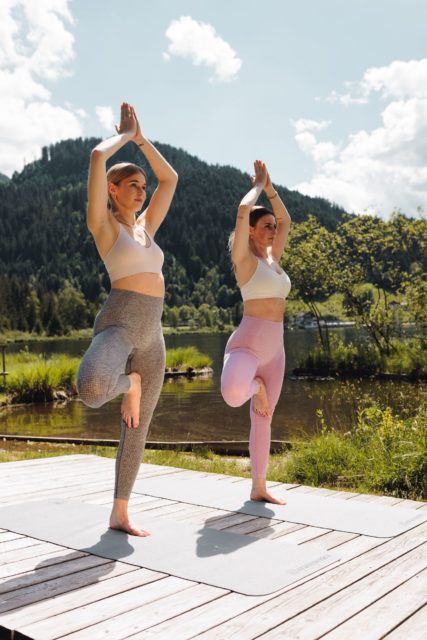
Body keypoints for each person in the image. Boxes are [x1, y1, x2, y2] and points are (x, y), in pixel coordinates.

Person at [77, 102, 178, 536]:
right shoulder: (104, 226)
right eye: (133, 185)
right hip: (119, 323)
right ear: (113, 190)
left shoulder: (146, 229)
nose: (141, 191)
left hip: (152, 334)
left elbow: (170, 179)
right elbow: (98, 158)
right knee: (93, 388)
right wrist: (123, 136)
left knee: (138, 427)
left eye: (142, 186)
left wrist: (142, 139)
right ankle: (128, 384)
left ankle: (120, 512)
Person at [221, 160, 291, 504]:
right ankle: (254, 387)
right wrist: (258, 186)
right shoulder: (245, 260)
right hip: (248, 345)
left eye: (273, 227)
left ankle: (259, 487)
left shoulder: (273, 259)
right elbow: (242, 209)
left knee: (263, 419)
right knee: (235, 395)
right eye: (267, 226)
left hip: (274, 352)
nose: (274, 230)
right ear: (251, 229)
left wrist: (272, 187)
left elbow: (287, 220)